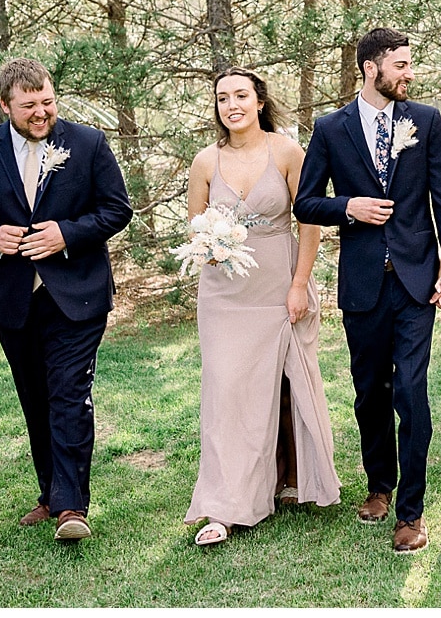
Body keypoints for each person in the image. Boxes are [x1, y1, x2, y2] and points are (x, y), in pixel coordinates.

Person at [294, 27, 441, 554]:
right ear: (371, 68)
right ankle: (379, 486)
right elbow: (305, 203)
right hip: (364, 282)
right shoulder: (330, 129)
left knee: (412, 392)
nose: (409, 73)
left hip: (416, 279)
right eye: (401, 64)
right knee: (371, 390)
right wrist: (348, 207)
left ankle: (411, 514)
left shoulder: (427, 121)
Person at [0, 57, 133, 542]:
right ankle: (50, 493)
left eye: (47, 102)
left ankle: (72, 508)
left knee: (70, 392)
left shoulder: (87, 142)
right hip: (14, 299)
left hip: (78, 295)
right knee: (36, 397)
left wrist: (65, 235)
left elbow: (116, 208)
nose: (41, 113)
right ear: (6, 105)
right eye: (29, 106)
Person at [182, 67, 341, 546]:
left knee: (290, 386)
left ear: (258, 101)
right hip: (224, 295)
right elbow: (194, 227)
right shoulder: (205, 162)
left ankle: (291, 480)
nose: (232, 105)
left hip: (278, 281)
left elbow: (309, 222)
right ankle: (224, 507)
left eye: (241, 96)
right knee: (226, 395)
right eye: (222, 98)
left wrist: (299, 283)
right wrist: (210, 244)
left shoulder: (287, 151)